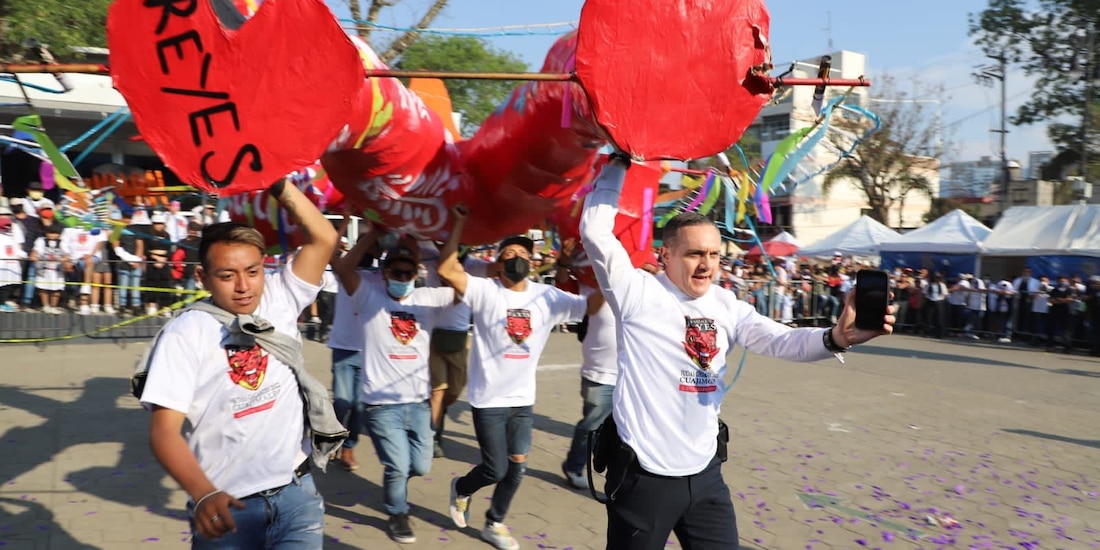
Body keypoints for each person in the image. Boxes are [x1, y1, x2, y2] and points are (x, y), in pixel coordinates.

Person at [579, 155, 894, 550]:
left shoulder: (727, 305)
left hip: (706, 476)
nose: (706, 264)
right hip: (645, 477)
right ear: (666, 255)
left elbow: (782, 339)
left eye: (713, 254)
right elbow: (594, 230)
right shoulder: (638, 294)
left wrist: (837, 338)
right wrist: (618, 165)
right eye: (694, 254)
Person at [138, 179, 342, 548]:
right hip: (227, 505)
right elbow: (164, 431)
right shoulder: (185, 333)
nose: (244, 286)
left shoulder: (280, 297)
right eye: (227, 276)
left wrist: (277, 184)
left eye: (253, 271)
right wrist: (202, 494)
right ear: (202, 277)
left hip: (296, 495)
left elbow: (323, 238)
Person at [438, 206, 604, 550]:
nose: (517, 258)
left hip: (522, 401)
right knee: (495, 469)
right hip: (488, 400)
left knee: (517, 469)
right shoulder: (485, 290)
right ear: (498, 264)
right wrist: (459, 224)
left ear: (532, 261)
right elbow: (445, 269)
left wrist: (605, 262)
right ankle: (463, 488)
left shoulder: (547, 296)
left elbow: (592, 306)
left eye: (523, 254)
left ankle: (494, 523)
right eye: (509, 253)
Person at [332, 226, 456, 544]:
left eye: (408, 271)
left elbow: (459, 284)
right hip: (381, 405)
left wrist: (448, 234)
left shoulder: (428, 299)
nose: (402, 276)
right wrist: (372, 234)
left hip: (417, 404)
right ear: (385, 273)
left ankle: (396, 485)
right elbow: (343, 267)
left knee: (422, 465)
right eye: (396, 271)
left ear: (417, 272)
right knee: (398, 466)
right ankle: (397, 512)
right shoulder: (369, 297)